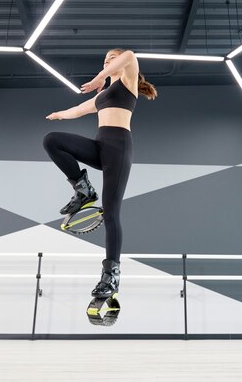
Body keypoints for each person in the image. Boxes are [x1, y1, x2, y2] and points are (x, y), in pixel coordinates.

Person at [44, 49, 157, 298]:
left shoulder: (128, 83)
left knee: (111, 213)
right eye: (105, 60)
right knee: (51, 140)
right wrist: (59, 115)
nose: (109, 61)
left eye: (111, 58)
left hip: (119, 148)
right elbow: (77, 110)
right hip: (100, 147)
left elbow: (130, 55)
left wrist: (99, 77)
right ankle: (84, 190)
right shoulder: (103, 96)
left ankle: (111, 276)